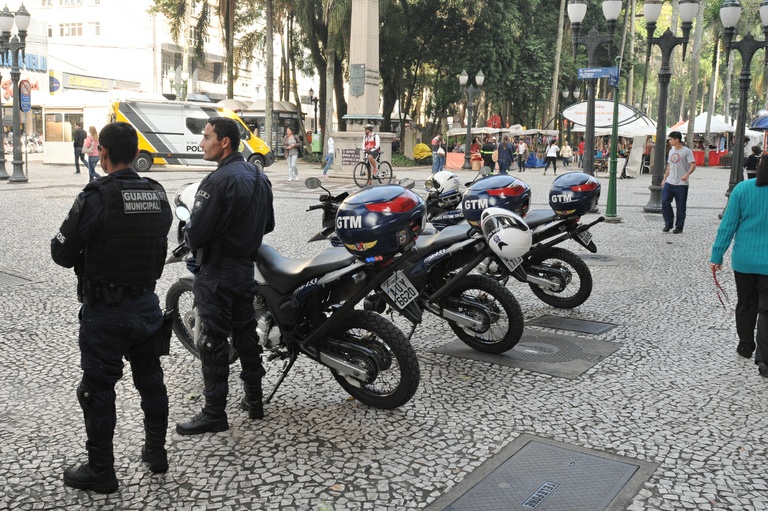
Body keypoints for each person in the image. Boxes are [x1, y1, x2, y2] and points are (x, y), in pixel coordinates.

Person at [51, 122, 173, 493]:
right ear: (136, 152)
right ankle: (156, 453)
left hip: (106, 312)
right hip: (147, 306)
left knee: (97, 389)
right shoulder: (157, 192)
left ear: (102, 152)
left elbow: (61, 252)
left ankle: (101, 470)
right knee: (151, 381)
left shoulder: (96, 196)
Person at [176, 117, 275, 436]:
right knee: (246, 334)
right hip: (244, 269)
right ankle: (254, 402)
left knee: (213, 341)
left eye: (207, 137)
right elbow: (269, 224)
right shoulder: (260, 177)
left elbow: (196, 232)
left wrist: (198, 236)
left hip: (216, 271)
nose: (202, 143)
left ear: (225, 142)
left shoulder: (216, 181)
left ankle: (214, 413)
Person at [710, 154, 768, 377]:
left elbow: (728, 225)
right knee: (766, 309)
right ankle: (764, 360)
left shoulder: (743, 189)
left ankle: (745, 346)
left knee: (745, 303)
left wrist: (717, 255)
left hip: (744, 260)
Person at [661, 131, 696, 234]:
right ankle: (668, 223)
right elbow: (669, 166)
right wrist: (664, 179)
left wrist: (687, 174)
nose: (669, 141)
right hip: (670, 182)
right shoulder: (671, 151)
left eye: (671, 139)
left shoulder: (687, 151)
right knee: (664, 202)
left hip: (681, 184)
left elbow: (693, 165)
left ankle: (679, 227)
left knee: (681, 206)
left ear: (677, 139)